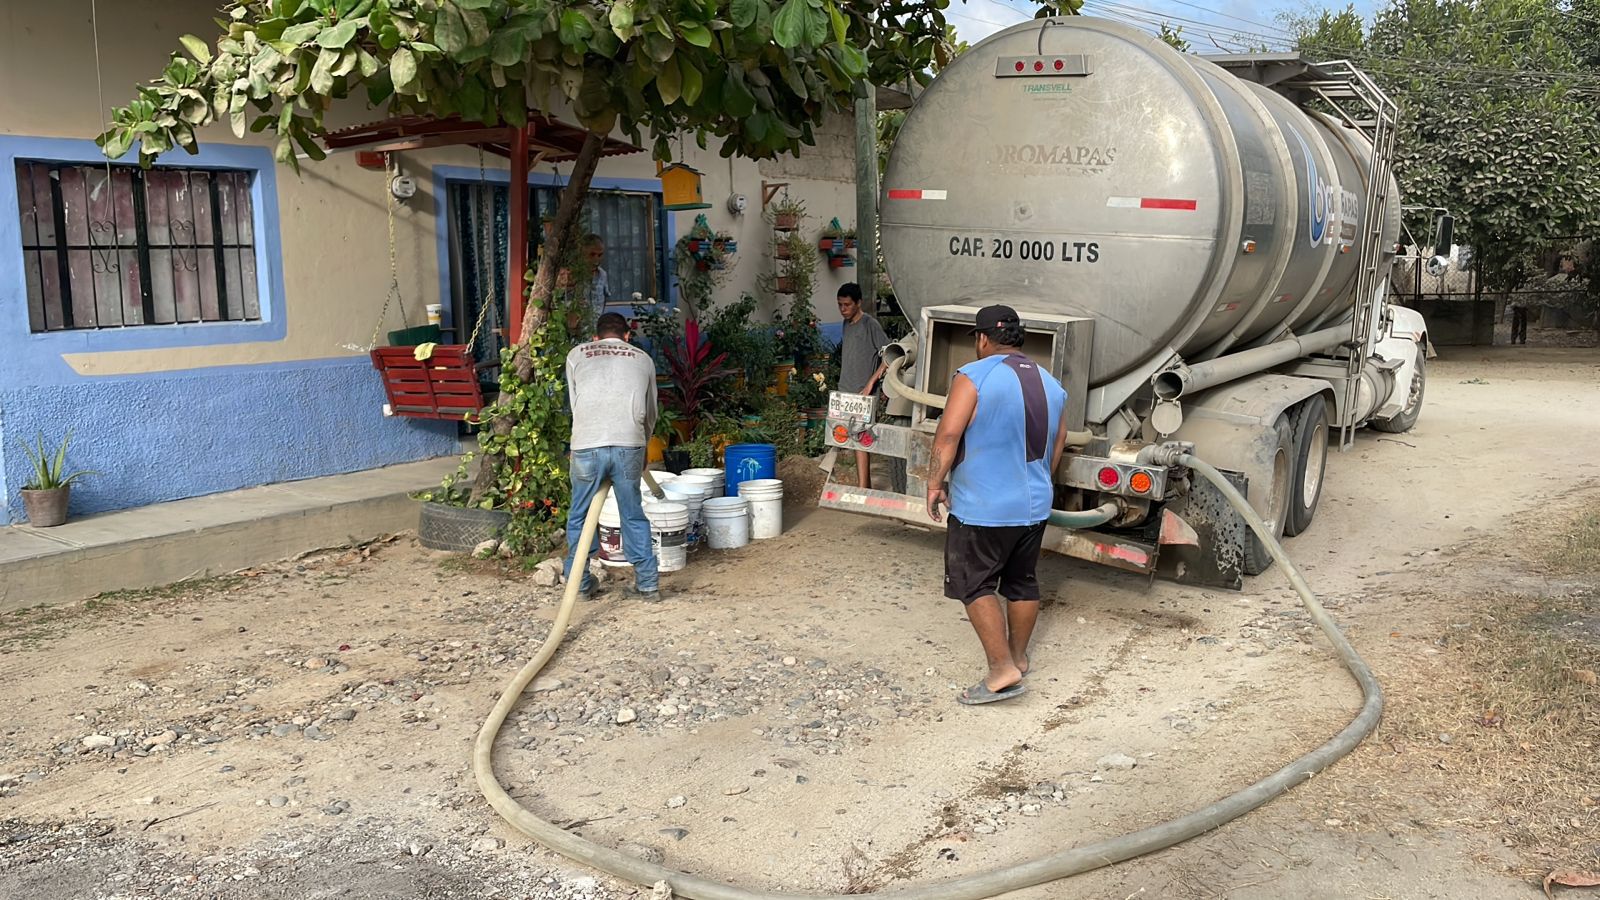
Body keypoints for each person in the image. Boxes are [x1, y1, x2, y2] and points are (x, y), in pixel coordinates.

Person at [926, 305, 1070, 706]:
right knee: (1022, 580)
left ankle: (1000, 669)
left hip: (985, 505)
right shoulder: (1052, 384)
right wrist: (1038, 487)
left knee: (973, 581)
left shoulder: (973, 376)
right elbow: (1055, 447)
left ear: (983, 338)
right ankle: (1019, 658)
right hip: (1034, 505)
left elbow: (949, 434)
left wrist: (934, 483)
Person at [563, 312, 660, 602]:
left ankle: (578, 585)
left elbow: (576, 401)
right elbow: (651, 410)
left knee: (580, 515)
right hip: (629, 443)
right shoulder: (643, 359)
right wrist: (642, 446)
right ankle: (648, 585)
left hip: (586, 445)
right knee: (632, 514)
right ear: (627, 336)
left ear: (595, 337)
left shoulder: (576, 355)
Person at [836, 283, 891, 490]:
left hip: (863, 392)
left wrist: (870, 383)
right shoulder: (845, 324)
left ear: (858, 303)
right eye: (840, 305)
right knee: (849, 438)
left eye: (847, 305)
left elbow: (890, 356)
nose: (843, 309)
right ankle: (862, 485)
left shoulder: (870, 325)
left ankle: (863, 488)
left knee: (861, 439)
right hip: (845, 389)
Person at [583, 233, 612, 321]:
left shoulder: (603, 274)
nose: (596, 259)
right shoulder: (571, 276)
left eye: (600, 255)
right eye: (592, 254)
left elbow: (605, 297)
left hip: (597, 328)